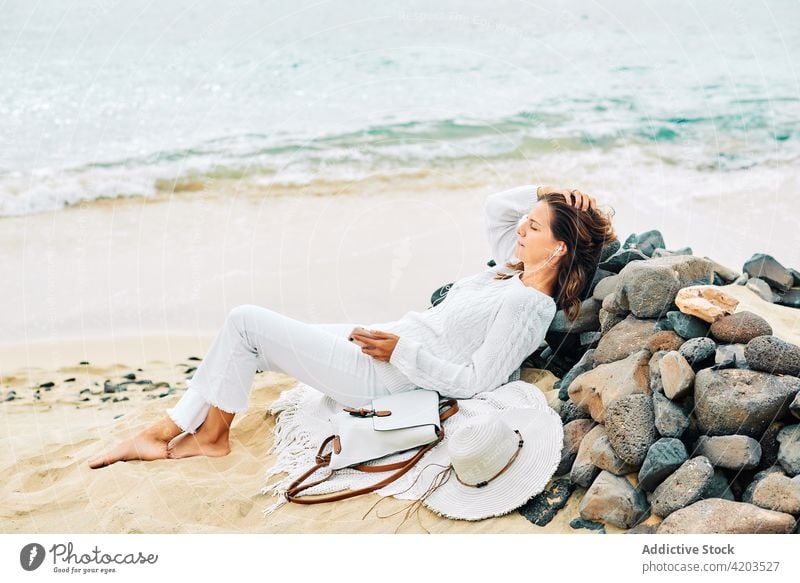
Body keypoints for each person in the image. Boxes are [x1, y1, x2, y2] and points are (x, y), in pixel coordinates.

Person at [88, 185, 616, 468]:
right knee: (250, 342)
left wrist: (401, 352)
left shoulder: (530, 305)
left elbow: (480, 380)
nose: (520, 227)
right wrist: (556, 191)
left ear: (561, 247)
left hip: (385, 374)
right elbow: (493, 207)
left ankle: (203, 437)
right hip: (378, 343)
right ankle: (176, 430)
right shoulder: (511, 268)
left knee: (245, 323)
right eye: (525, 221)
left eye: (535, 225)